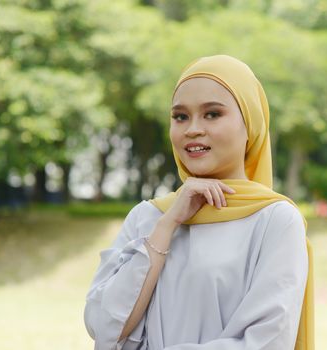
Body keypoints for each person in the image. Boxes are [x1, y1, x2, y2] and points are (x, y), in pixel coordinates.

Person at [84, 55, 314, 350]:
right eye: (180, 117)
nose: (192, 129)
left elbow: (266, 341)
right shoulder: (148, 216)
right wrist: (167, 226)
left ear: (251, 126)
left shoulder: (275, 221)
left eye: (212, 114)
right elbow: (103, 327)